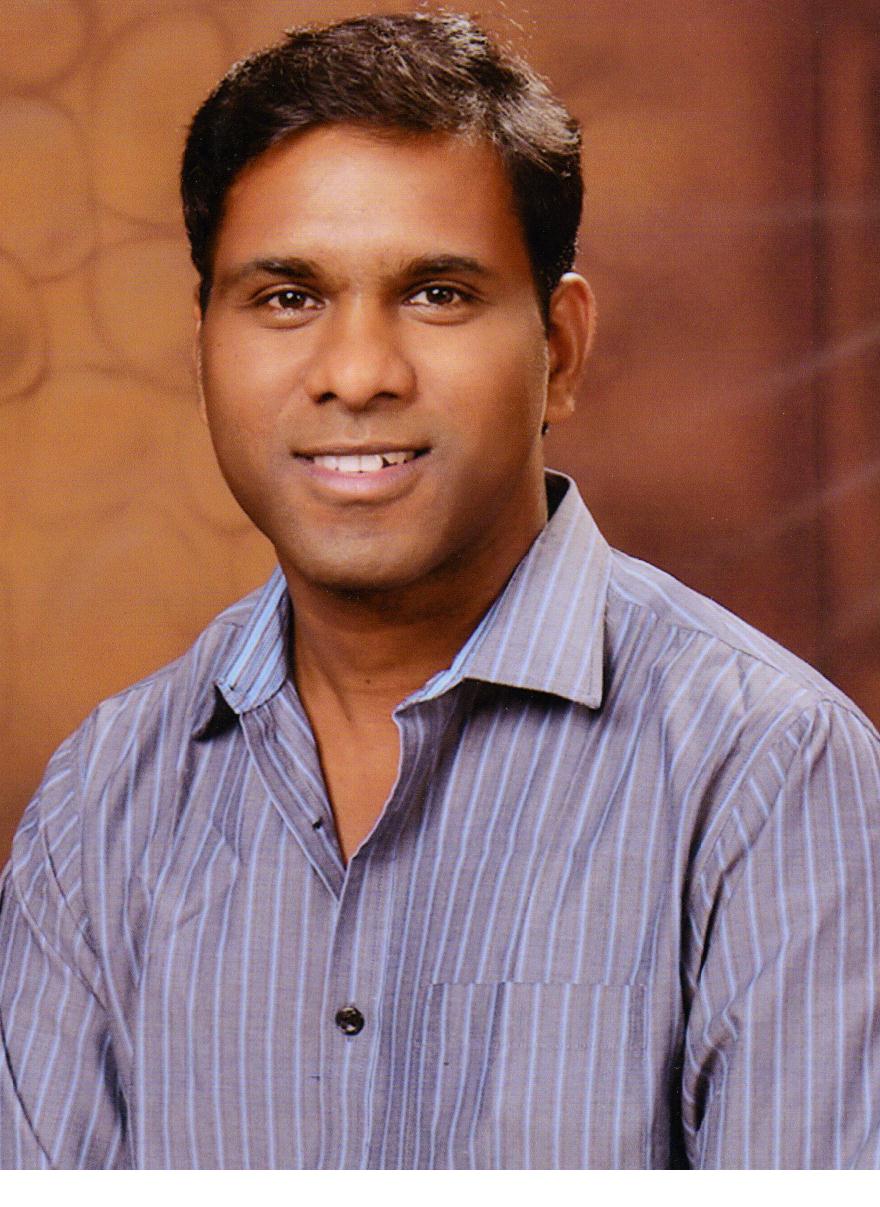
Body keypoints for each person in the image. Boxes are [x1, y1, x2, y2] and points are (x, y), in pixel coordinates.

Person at [1, 11, 879, 1171]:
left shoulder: (769, 777)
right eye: (287, 297)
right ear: (203, 345)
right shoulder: (102, 806)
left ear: (559, 349)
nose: (357, 373)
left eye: (437, 294)